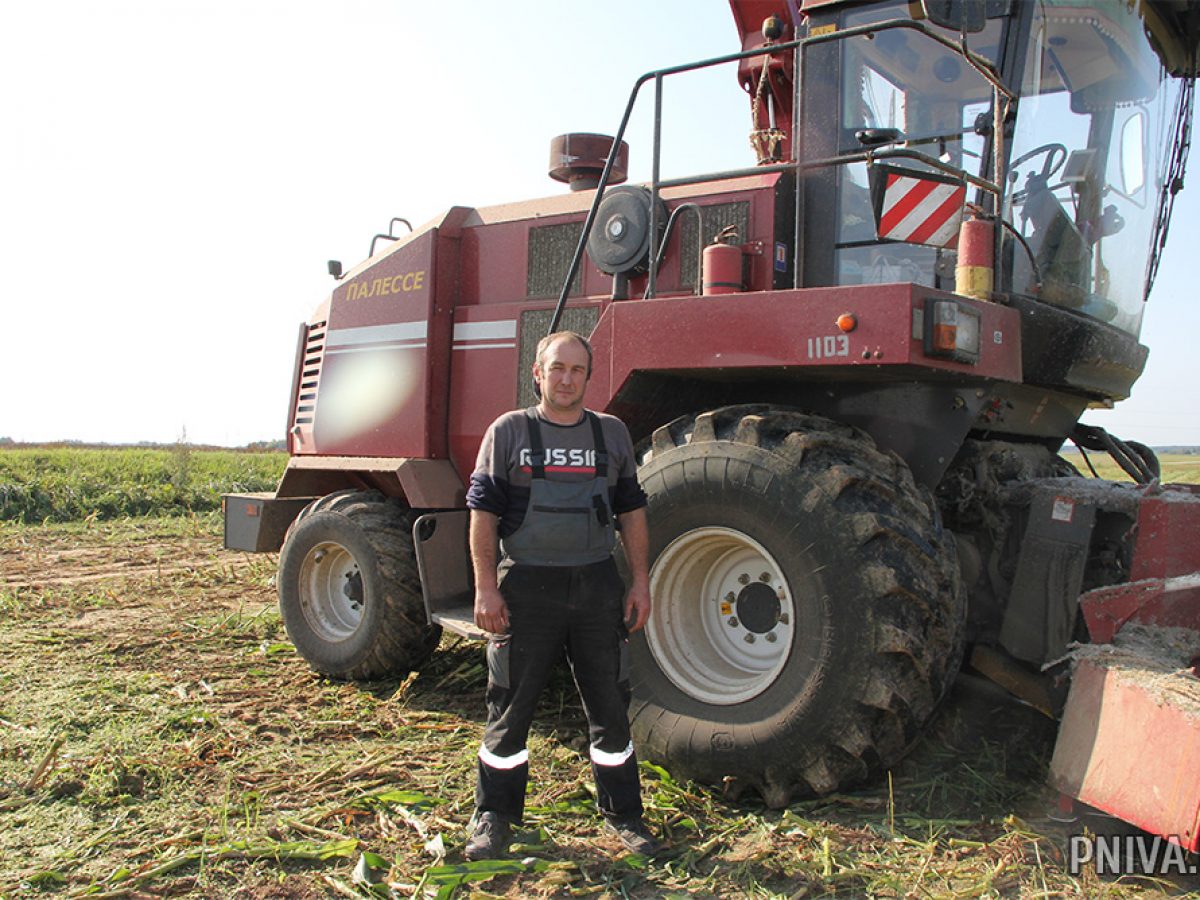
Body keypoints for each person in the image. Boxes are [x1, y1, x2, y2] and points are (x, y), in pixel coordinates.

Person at [463, 330, 661, 861]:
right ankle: (495, 818)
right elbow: (482, 515)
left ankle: (625, 815)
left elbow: (631, 511)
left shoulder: (611, 434)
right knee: (510, 705)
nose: (567, 378)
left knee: (611, 708)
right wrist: (485, 587)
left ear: (588, 377)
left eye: (577, 370)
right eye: (557, 369)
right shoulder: (509, 431)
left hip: (596, 584)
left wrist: (640, 580)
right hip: (527, 585)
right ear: (537, 373)